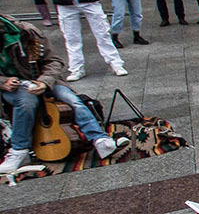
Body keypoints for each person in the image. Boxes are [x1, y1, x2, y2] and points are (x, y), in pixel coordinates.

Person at [0, 15, 129, 173]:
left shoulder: (26, 32)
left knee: (71, 99)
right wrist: (4, 82)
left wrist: (44, 82)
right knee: (27, 101)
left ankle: (100, 139)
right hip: (10, 88)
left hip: (41, 79)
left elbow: (54, 61)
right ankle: (19, 150)